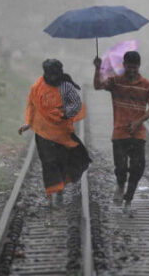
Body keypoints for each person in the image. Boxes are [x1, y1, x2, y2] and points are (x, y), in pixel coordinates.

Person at [19, 59, 90, 208]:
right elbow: (32, 106)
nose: (53, 78)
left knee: (63, 161)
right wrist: (28, 123)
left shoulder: (66, 87)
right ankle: (51, 195)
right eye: (50, 75)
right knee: (48, 162)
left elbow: (76, 104)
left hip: (62, 132)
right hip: (43, 132)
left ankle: (60, 192)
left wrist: (65, 112)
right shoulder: (37, 87)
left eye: (56, 75)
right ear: (45, 73)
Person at [93, 51, 149, 215]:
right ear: (124, 65)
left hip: (138, 134)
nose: (132, 71)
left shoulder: (146, 85)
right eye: (129, 67)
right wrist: (98, 68)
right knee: (121, 168)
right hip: (120, 133)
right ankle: (120, 184)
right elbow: (97, 86)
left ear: (139, 67)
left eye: (134, 67)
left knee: (138, 168)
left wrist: (139, 121)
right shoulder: (116, 81)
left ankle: (128, 199)